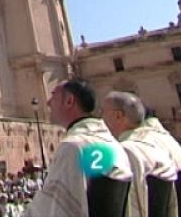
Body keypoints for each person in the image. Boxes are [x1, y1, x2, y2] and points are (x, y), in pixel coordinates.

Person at [23, 79, 133, 217]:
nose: (48, 102)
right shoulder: (115, 146)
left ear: (69, 101)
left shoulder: (74, 148)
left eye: (53, 96)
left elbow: (50, 210)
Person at [101, 91, 177, 217]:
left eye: (102, 111)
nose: (100, 118)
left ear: (118, 116)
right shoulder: (157, 150)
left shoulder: (123, 152)